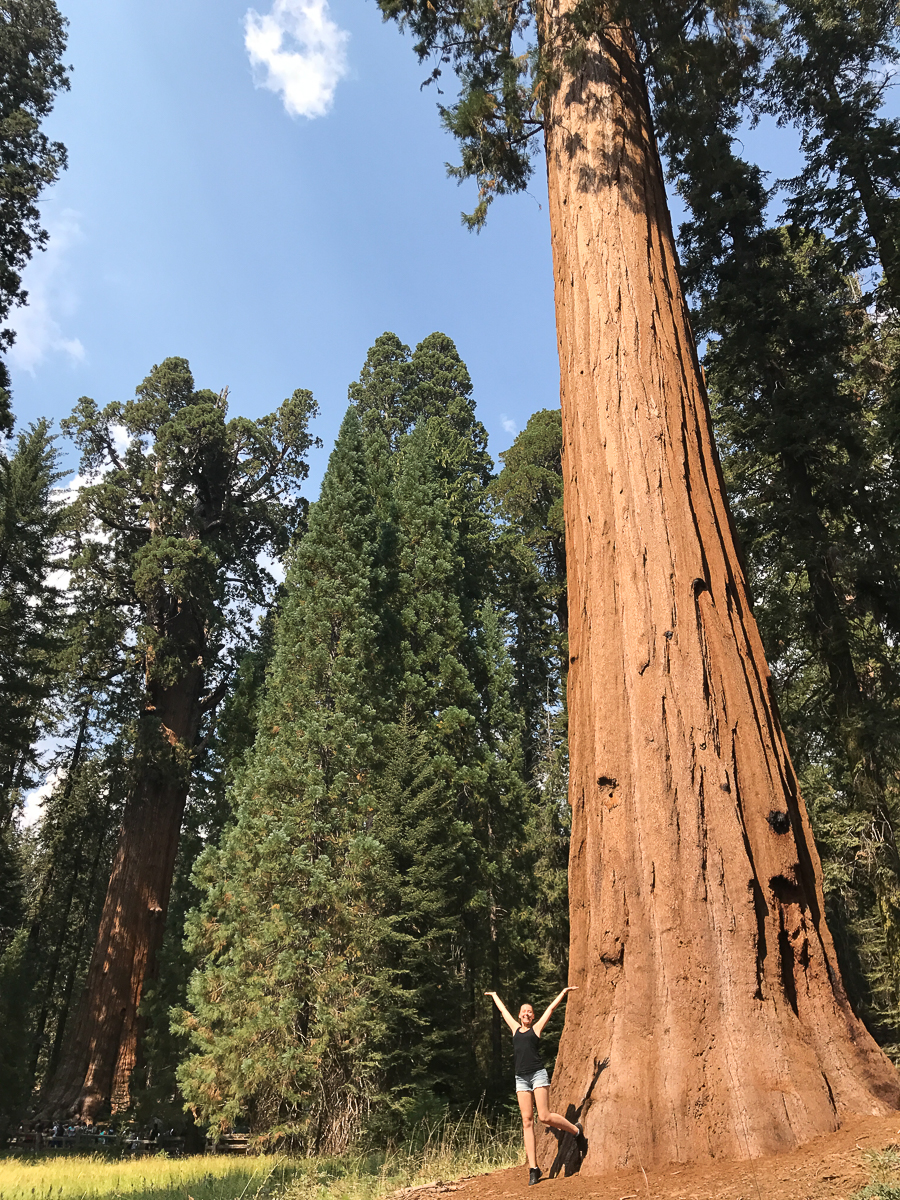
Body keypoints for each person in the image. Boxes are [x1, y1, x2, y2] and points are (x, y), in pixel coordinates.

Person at [485, 987, 588, 1185]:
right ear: (519, 1015)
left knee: (544, 1116)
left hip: (538, 1075)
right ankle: (534, 1169)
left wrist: (563, 993)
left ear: (533, 1017)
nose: (526, 1013)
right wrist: (495, 995)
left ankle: (576, 1131)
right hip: (521, 1079)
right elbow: (503, 1011)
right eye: (524, 1011)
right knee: (527, 1121)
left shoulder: (536, 1029)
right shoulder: (515, 1029)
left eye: (530, 1012)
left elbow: (550, 1009)